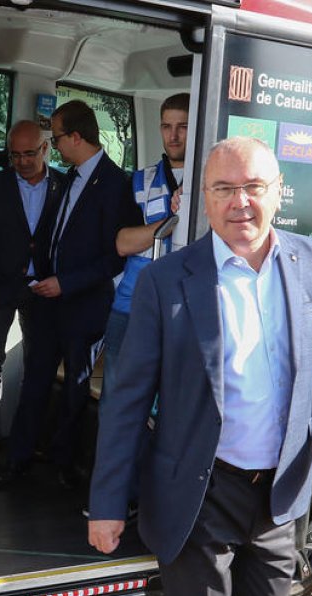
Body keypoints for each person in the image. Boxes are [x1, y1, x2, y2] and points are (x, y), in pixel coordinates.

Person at [87, 137, 312, 596]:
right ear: (205, 197)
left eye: (253, 188)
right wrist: (106, 503)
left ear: (277, 193)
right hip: (198, 486)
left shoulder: (310, 260)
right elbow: (126, 402)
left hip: (278, 489)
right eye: (224, 189)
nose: (239, 201)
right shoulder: (166, 280)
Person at [0, 100, 142, 491]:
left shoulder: (114, 184)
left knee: (75, 390)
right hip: (48, 302)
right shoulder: (68, 177)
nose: (53, 146)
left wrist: (67, 283)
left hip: (85, 305)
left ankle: (64, 466)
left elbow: (114, 256)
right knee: (35, 382)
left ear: (75, 136)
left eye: (55, 137)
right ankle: (18, 460)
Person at [0, 120, 65, 462]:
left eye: (28, 154)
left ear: (45, 149)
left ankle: (29, 436)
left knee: (38, 365)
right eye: (14, 155)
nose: (22, 162)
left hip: (45, 290)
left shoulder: (64, 186)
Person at [104, 93, 188, 409]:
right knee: (117, 403)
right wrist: (171, 222)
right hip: (130, 306)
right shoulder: (142, 179)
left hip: (183, 311)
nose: (174, 135)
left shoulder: (213, 182)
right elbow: (123, 243)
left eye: (183, 126)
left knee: (172, 408)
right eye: (167, 126)